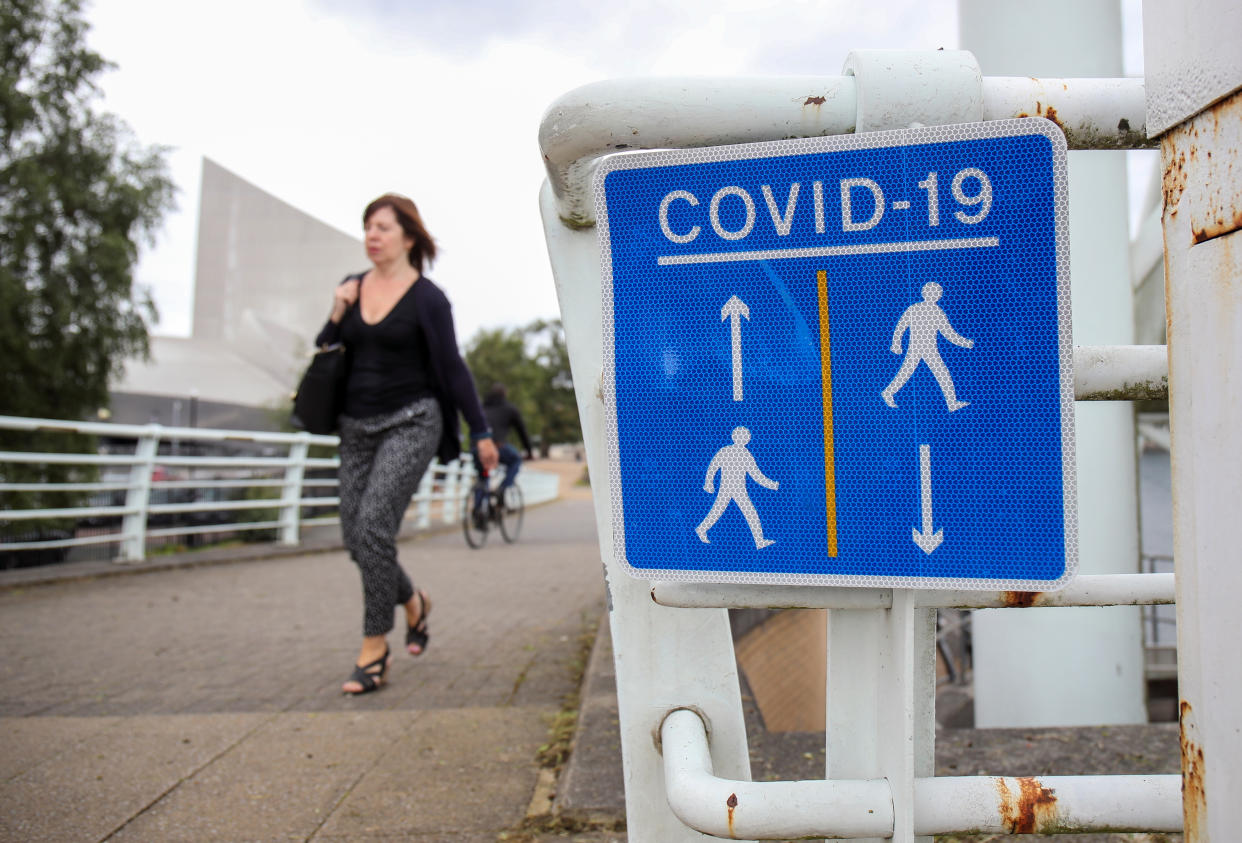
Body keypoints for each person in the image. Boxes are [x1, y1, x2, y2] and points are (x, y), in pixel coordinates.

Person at [314, 193, 498, 695]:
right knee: (357, 539)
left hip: (412, 421)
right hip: (355, 426)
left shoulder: (428, 299)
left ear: (408, 237)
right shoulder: (352, 288)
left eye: (382, 228)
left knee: (374, 527)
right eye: (367, 227)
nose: (372, 236)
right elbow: (325, 350)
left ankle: (375, 647)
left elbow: (454, 368)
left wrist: (480, 432)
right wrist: (336, 312)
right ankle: (413, 600)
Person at [472, 383, 534, 519]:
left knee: (483, 476)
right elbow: (521, 431)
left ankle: (478, 511)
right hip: (498, 448)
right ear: (504, 394)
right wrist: (529, 452)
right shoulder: (509, 409)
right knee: (516, 460)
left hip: (477, 449)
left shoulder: (481, 408)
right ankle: (502, 488)